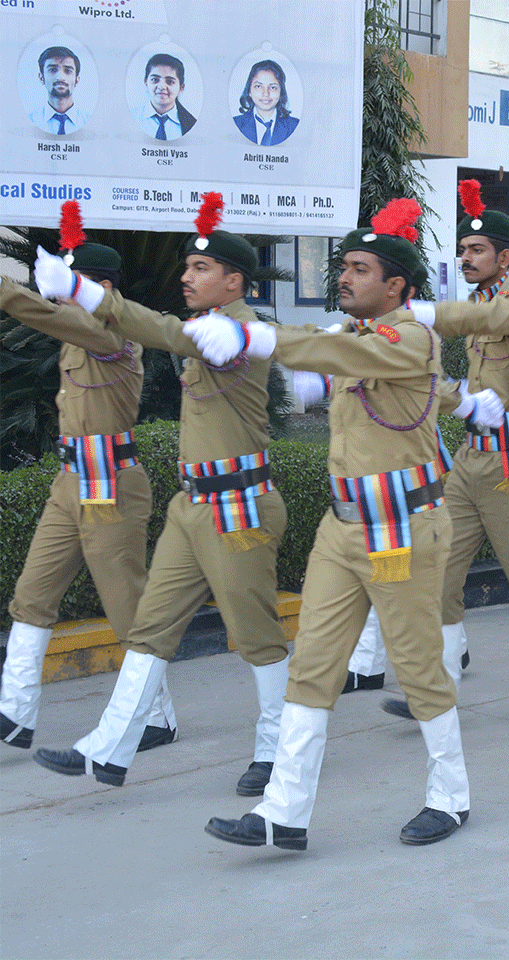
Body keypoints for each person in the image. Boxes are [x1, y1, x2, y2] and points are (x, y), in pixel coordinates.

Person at [196, 198, 471, 851]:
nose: (342, 277)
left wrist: (256, 335)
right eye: (342, 266)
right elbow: (338, 359)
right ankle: (283, 813)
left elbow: (334, 354)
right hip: (343, 525)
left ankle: (451, 796)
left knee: (418, 666)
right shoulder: (353, 340)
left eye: (358, 268)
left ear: (396, 285)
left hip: (400, 526)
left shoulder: (413, 336)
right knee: (312, 667)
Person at [31, 194, 288, 796]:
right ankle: (109, 749)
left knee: (255, 634)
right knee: (150, 628)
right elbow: (175, 332)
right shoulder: (207, 329)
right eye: (187, 267)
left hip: (239, 505)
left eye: (200, 269)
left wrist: (87, 292)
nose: (185, 276)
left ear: (234, 280)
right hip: (191, 504)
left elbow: (160, 330)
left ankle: (278, 748)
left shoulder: (243, 332)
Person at [382, 180, 509, 730]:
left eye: (476, 250)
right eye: (462, 250)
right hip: (469, 457)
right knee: (440, 571)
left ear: (505, 257)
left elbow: (486, 321)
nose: (465, 258)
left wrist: (417, 313)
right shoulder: (473, 305)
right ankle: (438, 689)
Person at [1, 203, 174, 752]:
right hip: (70, 480)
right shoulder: (79, 335)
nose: (56, 292)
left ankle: (158, 716)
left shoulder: (114, 334)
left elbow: (50, 315)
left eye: (67, 281)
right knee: (31, 595)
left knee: (127, 604)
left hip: (112, 483)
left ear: (98, 287)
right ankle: (15, 712)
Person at [232, 59, 299, 146]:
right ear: (249, 91)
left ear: (281, 91)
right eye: (259, 86)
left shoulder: (294, 126)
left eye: (272, 87)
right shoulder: (235, 124)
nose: (266, 93)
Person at [29, 46, 90, 135]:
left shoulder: (88, 122)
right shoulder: (31, 121)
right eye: (53, 70)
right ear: (41, 78)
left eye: (68, 71)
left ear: (77, 80)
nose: (60, 77)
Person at [134, 53, 195, 140]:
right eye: (155, 80)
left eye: (170, 81)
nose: (161, 87)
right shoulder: (132, 118)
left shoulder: (191, 124)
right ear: (146, 84)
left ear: (181, 88)